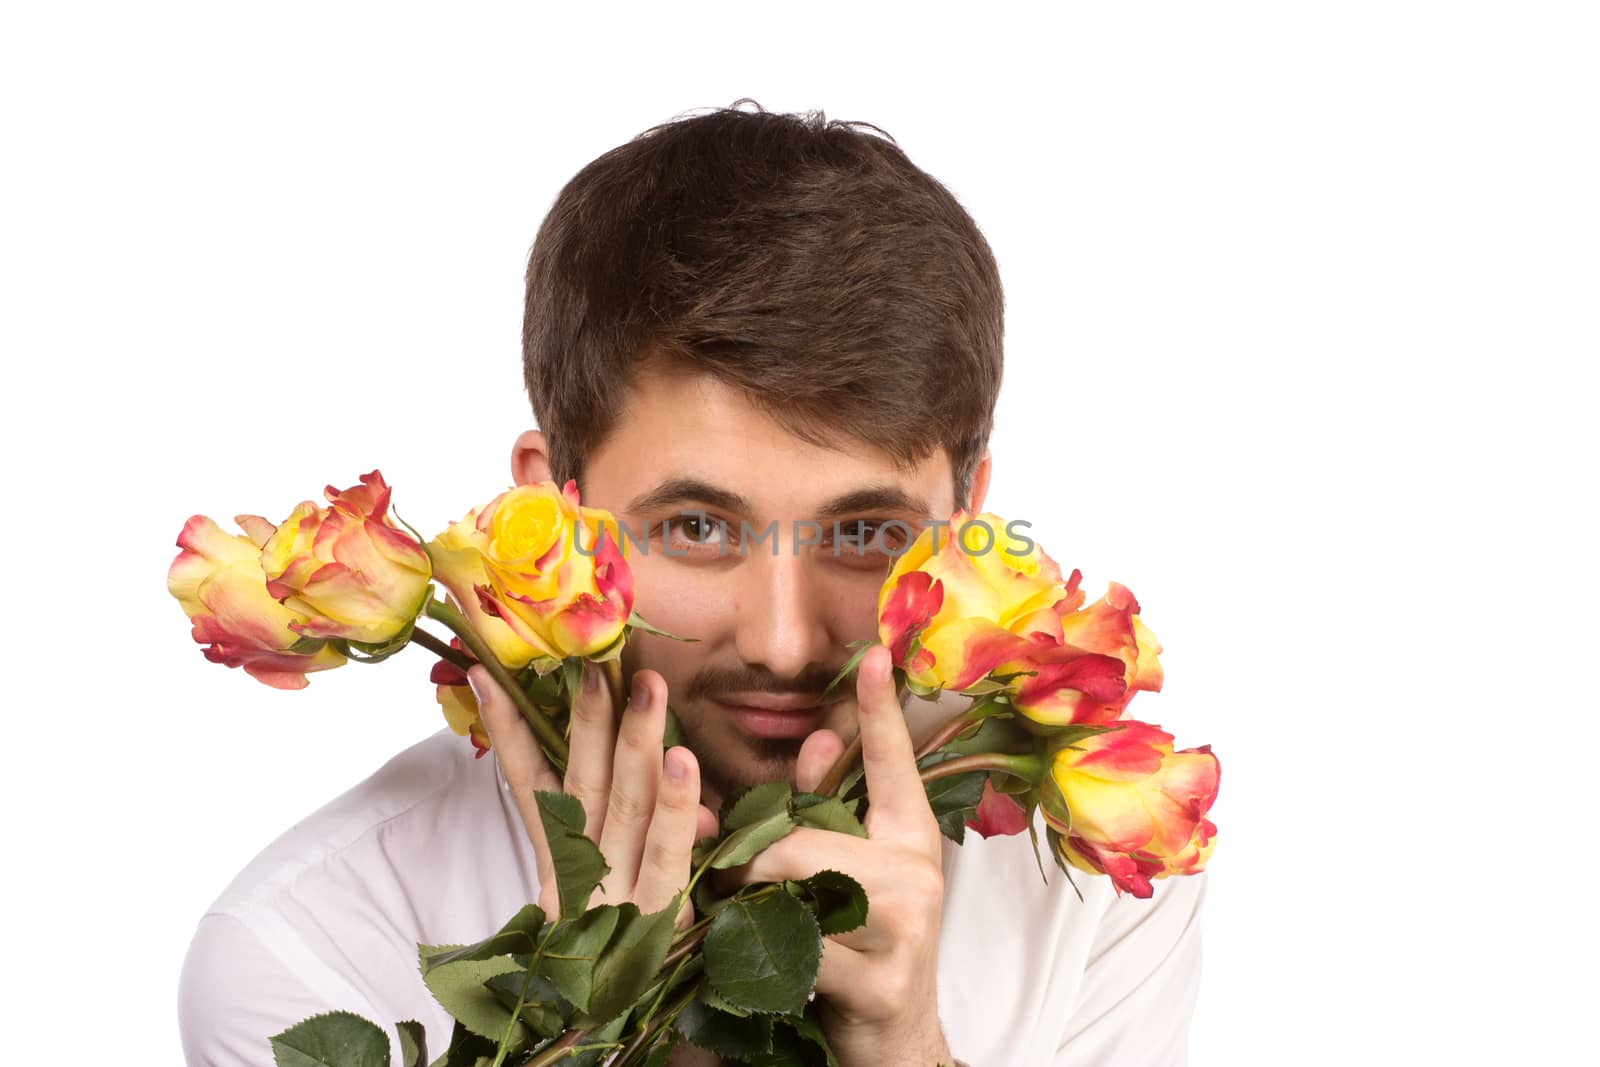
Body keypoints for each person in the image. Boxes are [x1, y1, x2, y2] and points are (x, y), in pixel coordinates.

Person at [177, 101, 1207, 1066]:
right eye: (698, 526)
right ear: (550, 508)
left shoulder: (1100, 882)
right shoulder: (305, 944)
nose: (782, 640)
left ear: (967, 527)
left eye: (862, 532)